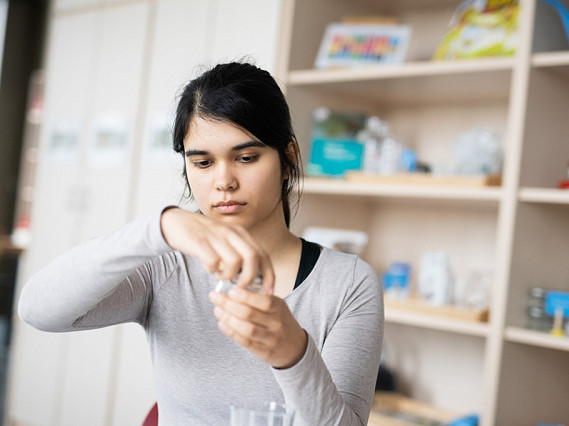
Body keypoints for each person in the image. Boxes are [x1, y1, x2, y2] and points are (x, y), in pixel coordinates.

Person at [19, 62, 384, 425]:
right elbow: (38, 309)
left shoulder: (348, 284)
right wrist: (159, 227)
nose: (224, 181)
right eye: (203, 162)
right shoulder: (166, 266)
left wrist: (294, 354)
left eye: (245, 158)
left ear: (287, 160)